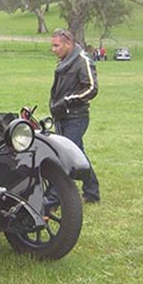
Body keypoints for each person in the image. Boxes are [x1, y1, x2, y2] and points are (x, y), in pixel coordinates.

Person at [48, 29, 101, 203]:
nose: (53, 49)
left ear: (68, 43)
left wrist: (68, 101)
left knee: (64, 155)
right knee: (78, 153)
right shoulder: (64, 62)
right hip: (62, 115)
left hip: (76, 116)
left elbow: (92, 88)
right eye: (52, 46)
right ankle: (92, 192)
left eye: (57, 45)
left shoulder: (82, 61)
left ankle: (55, 197)